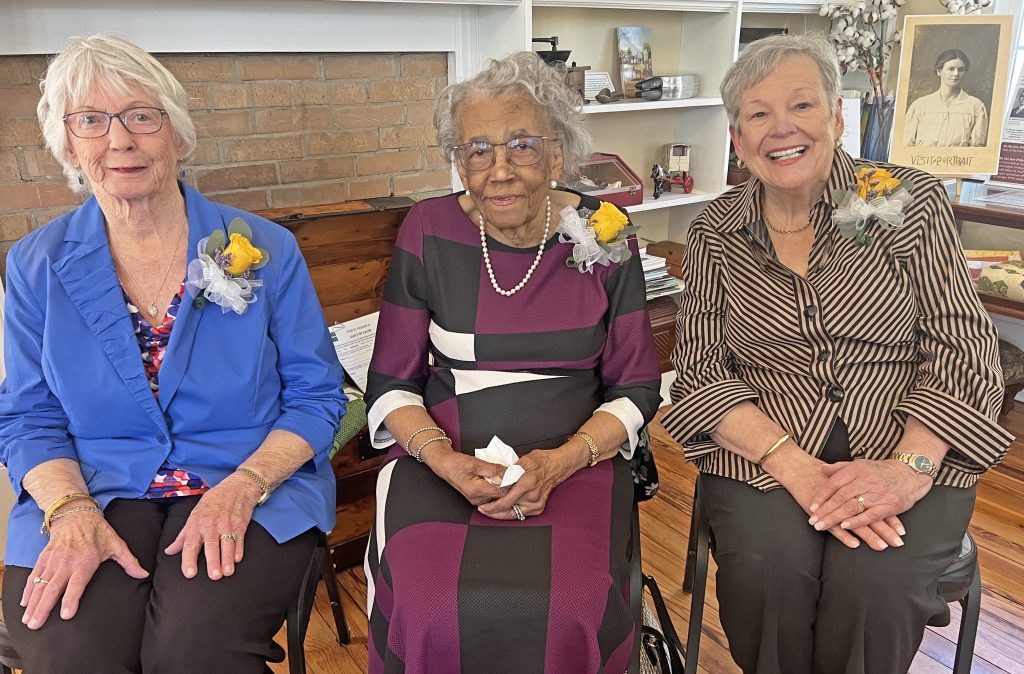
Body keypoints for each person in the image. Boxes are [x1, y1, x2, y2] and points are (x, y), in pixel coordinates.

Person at [660, 34, 1011, 674]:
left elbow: (963, 344)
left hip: (908, 437)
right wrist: (795, 467)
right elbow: (701, 373)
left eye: (802, 105)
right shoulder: (715, 231)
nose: (782, 128)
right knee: (767, 572)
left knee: (875, 584)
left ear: (838, 117)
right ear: (737, 138)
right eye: (759, 114)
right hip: (767, 446)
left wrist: (907, 469)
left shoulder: (905, 203)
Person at [0, 34, 345, 671]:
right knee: (69, 650)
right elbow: (28, 417)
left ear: (177, 133)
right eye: (91, 120)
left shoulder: (264, 248)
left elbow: (318, 396)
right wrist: (69, 510)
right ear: (68, 144)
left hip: (247, 478)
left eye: (141, 115)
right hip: (98, 487)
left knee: (196, 651)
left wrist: (244, 487)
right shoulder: (34, 265)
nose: (120, 140)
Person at [363, 52, 662, 673]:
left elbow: (635, 385)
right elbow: (391, 380)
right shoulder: (429, 228)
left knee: (572, 603)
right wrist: (444, 461)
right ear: (459, 161)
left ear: (557, 154)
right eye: (478, 150)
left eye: (522, 146)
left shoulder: (606, 230)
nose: (499, 170)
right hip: (444, 454)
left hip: (575, 456)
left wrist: (559, 462)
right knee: (426, 603)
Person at [903, 48, 989, 147]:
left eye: (960, 69)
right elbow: (906, 145)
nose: (956, 74)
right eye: (951, 69)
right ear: (939, 71)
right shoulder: (919, 106)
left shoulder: (976, 106)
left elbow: (976, 149)